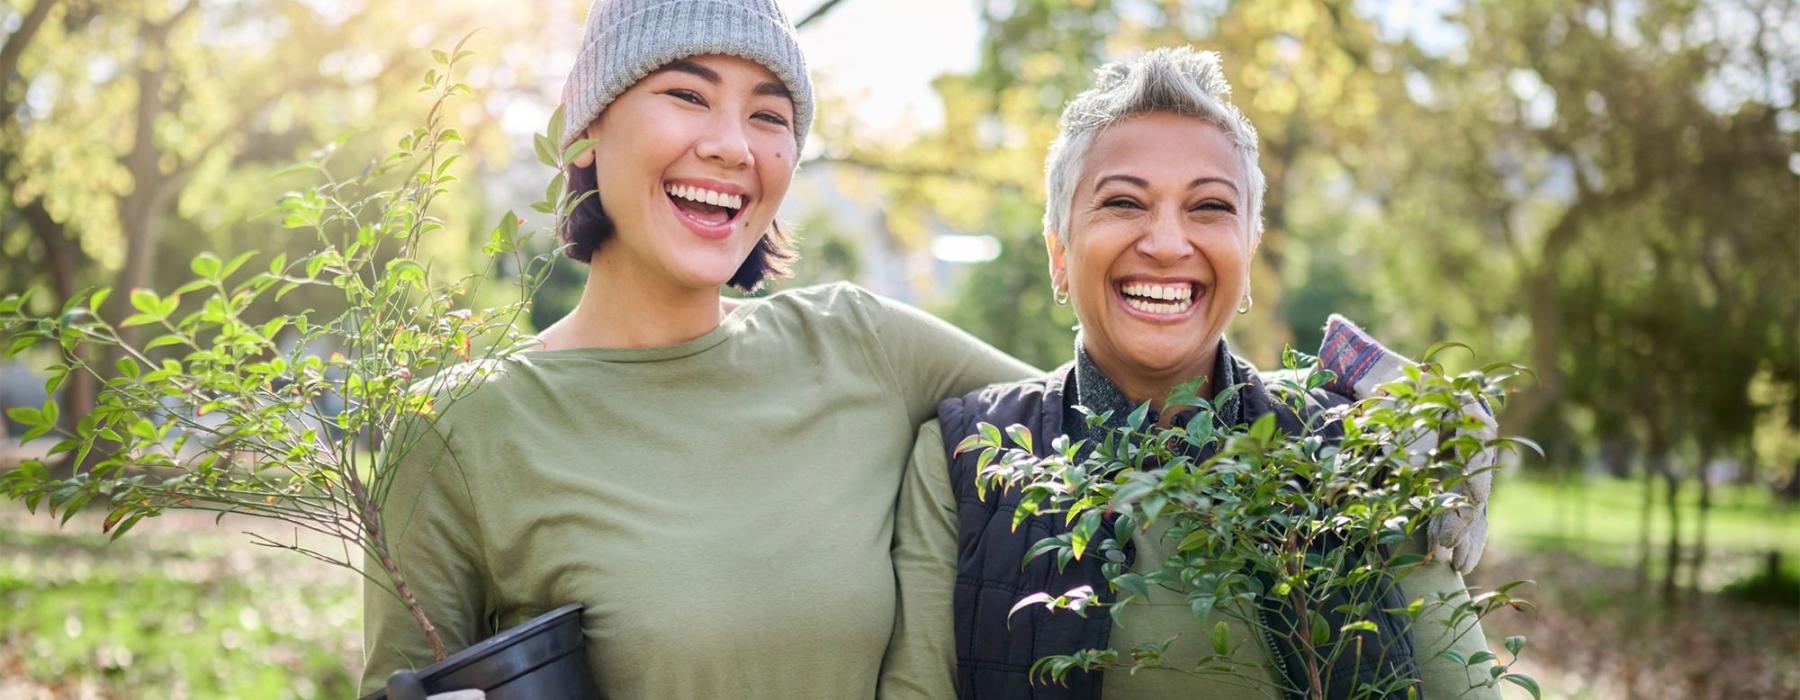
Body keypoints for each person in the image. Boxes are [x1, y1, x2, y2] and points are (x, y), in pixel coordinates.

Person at [359, 1, 1486, 695]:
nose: (729, 144)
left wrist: (1397, 439)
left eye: (769, 113)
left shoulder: (860, 344)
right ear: (590, 127)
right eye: (684, 93)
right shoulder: (458, 431)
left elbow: (1135, 407)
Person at [878, 48, 1498, 699]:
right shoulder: (965, 458)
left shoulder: (1356, 448)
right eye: (1123, 202)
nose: (1169, 244)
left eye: (1210, 207)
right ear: (1059, 253)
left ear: (1249, 252)